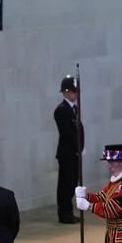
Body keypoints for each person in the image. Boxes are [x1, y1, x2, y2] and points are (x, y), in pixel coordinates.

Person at [54, 75, 83, 224]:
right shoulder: (61, 110)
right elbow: (67, 133)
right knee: (65, 184)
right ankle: (64, 214)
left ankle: (69, 212)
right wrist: (76, 147)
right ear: (66, 92)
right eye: (73, 91)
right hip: (67, 153)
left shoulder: (74, 109)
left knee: (72, 183)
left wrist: (81, 147)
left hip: (75, 153)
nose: (76, 94)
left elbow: (79, 130)